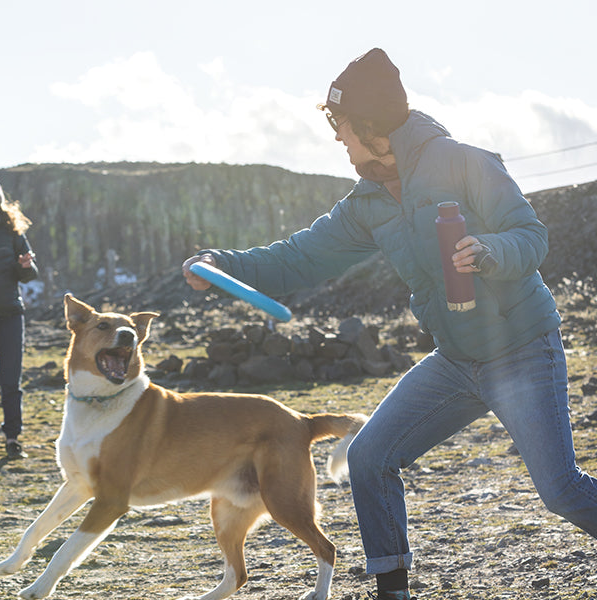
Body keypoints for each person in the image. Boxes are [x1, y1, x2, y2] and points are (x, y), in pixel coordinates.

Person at [182, 48, 597, 600]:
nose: (337, 138)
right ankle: (392, 590)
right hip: (455, 361)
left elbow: (532, 235)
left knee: (561, 491)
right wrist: (221, 264)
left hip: (520, 348)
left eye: (342, 124)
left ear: (373, 126)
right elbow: (299, 257)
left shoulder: (464, 162)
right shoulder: (368, 202)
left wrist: (490, 249)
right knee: (369, 457)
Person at [0, 181, 38, 460]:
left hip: (11, 314)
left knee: (11, 380)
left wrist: (25, 265)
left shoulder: (12, 230)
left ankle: (13, 438)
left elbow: (31, 273)